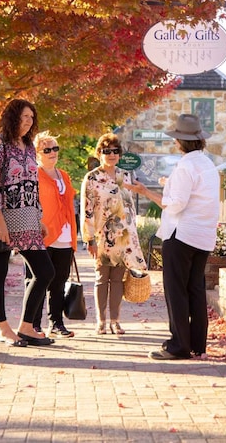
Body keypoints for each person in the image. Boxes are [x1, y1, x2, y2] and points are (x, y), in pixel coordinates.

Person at [127, 114, 220, 360]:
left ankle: (178, 345)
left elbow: (175, 205)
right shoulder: (207, 165)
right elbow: (196, 195)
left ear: (179, 141)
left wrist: (146, 191)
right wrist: (169, 184)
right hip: (203, 236)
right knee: (196, 290)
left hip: (181, 235)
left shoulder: (185, 166)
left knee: (176, 291)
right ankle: (197, 344)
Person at [0, 99, 55, 347]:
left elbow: (31, 183)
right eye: (24, 117)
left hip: (29, 218)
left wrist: (39, 216)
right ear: (12, 117)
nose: (28, 121)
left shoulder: (28, 145)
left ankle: (25, 326)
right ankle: (3, 328)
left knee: (46, 272)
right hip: (3, 218)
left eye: (31, 118)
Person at [80, 133, 147, 336]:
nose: (111, 155)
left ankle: (115, 321)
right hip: (102, 235)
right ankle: (101, 321)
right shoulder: (91, 178)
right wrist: (89, 238)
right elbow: (87, 209)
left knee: (118, 279)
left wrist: (134, 237)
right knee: (102, 277)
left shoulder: (125, 175)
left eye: (115, 151)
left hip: (124, 237)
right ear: (99, 153)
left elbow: (129, 208)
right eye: (107, 151)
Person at [31, 131, 77, 338]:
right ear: (37, 153)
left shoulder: (64, 175)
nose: (52, 153)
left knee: (59, 282)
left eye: (55, 149)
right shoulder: (33, 174)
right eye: (47, 150)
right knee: (39, 280)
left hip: (65, 235)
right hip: (42, 234)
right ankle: (33, 324)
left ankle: (56, 323)